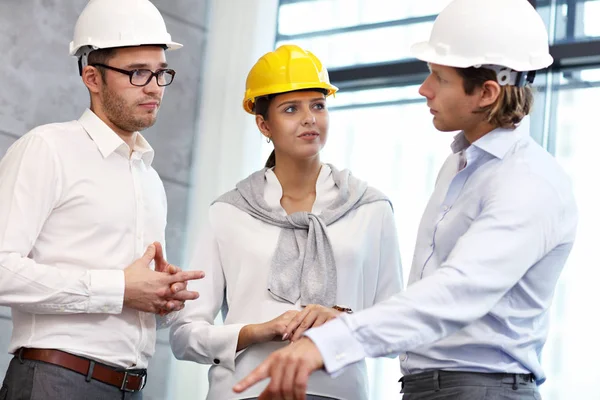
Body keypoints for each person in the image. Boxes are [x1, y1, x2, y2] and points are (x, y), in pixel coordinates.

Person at [233, 0, 579, 399]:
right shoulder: (459, 167)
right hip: (429, 386)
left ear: (486, 93)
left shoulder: (527, 182)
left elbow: (458, 292)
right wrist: (349, 322)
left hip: (480, 390)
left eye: (439, 77)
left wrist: (327, 344)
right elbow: (428, 306)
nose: (423, 88)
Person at [169, 44, 403, 400]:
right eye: (291, 108)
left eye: (319, 105)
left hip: (338, 393)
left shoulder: (371, 209)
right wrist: (255, 331)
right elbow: (184, 335)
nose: (309, 118)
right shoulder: (228, 213)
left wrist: (344, 321)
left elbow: (398, 329)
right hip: (244, 392)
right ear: (264, 124)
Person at [0, 0, 205, 398]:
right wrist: (120, 289)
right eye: (137, 73)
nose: (153, 87)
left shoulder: (150, 178)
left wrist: (158, 297)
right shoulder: (48, 148)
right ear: (92, 78)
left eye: (161, 73)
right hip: (54, 380)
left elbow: (128, 298)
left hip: (131, 387)